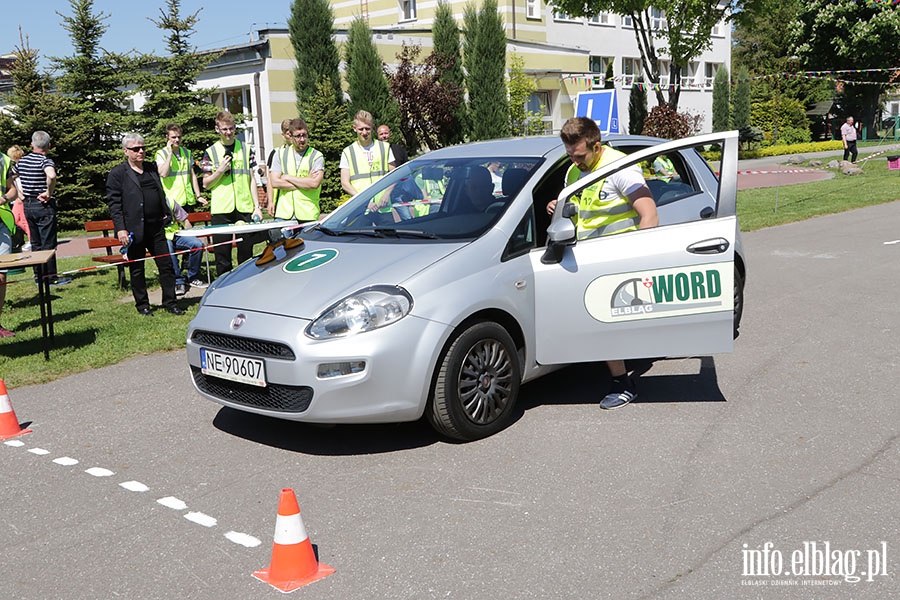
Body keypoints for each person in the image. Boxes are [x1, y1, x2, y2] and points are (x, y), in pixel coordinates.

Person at [546, 117, 658, 409]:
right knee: (599, 320)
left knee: (605, 320)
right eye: (569, 154)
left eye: (580, 155)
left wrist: (642, 259)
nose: (574, 160)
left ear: (597, 146)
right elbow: (580, 211)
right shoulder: (573, 172)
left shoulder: (620, 167)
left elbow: (649, 214)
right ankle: (617, 370)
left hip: (619, 257)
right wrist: (558, 208)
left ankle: (623, 384)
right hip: (586, 258)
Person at [106, 133, 185, 316]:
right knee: (137, 269)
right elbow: (114, 204)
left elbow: (160, 189)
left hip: (156, 227)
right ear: (126, 151)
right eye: (136, 149)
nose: (141, 151)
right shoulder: (118, 174)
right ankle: (143, 306)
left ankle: (170, 302)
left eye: (143, 148)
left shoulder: (150, 168)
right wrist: (121, 229)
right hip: (134, 230)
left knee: (166, 265)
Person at [201, 111, 261, 277]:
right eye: (224, 129)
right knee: (222, 255)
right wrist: (219, 171)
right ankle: (223, 287)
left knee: (246, 253)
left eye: (231, 129)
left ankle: (246, 284)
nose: (228, 133)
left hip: (244, 206)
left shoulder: (246, 149)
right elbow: (205, 184)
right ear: (217, 129)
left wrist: (257, 207)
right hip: (221, 209)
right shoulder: (211, 151)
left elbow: (251, 179)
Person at [18, 131, 70, 286]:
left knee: (35, 243)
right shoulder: (45, 161)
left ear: (31, 144)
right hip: (43, 205)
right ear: (49, 145)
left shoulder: (22, 161)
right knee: (48, 243)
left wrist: (20, 193)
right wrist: (49, 191)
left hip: (28, 204)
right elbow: (52, 175)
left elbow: (13, 176)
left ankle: (38, 277)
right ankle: (51, 277)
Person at [269, 118, 325, 221]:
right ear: (290, 136)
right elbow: (275, 182)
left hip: (308, 214)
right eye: (298, 136)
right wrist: (304, 182)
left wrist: (287, 177)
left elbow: (314, 184)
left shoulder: (316, 156)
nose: (302, 139)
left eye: (304, 135)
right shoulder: (280, 154)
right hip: (284, 215)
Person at [340, 110, 395, 198]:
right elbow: (345, 183)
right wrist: (362, 200)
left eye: (367, 129)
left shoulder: (385, 148)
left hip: (383, 205)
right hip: (361, 207)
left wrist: (386, 195)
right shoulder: (348, 152)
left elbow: (394, 175)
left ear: (372, 127)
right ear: (354, 128)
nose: (364, 133)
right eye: (361, 129)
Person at [155, 123, 207, 212]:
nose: (177, 140)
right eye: (173, 137)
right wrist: (170, 153)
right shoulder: (161, 154)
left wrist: (198, 195)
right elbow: (163, 174)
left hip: (188, 201)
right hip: (172, 202)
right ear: (167, 137)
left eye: (179, 137)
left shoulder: (187, 153)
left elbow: (192, 175)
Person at [164, 197, 207, 297]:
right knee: (169, 250)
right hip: (161, 238)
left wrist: (192, 236)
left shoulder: (170, 201)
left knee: (197, 244)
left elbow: (185, 220)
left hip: (176, 235)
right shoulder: (149, 204)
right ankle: (178, 282)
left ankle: (192, 277)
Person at [0, 150, 20, 337]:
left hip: (1, 224)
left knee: (2, 276)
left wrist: (4, 198)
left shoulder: (4, 160)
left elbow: (13, 189)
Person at [6, 145, 30, 251]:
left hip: (21, 197)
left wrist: (20, 195)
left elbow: (20, 184)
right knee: (15, 219)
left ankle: (32, 239)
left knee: (22, 220)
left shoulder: (19, 166)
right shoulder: (18, 166)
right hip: (18, 197)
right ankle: (31, 237)